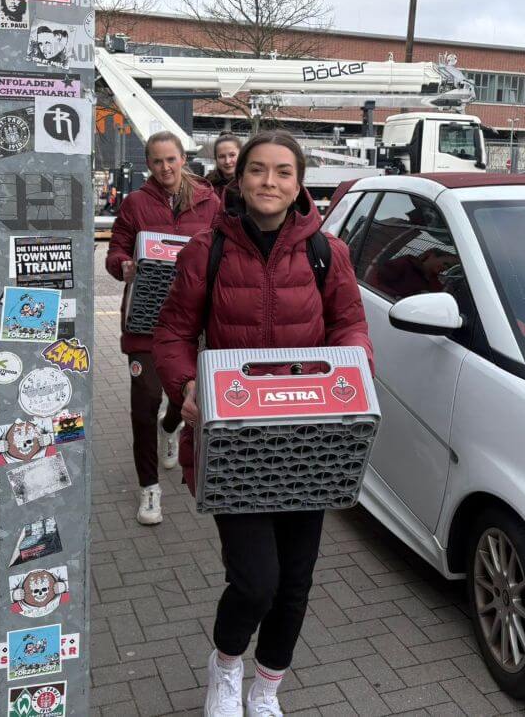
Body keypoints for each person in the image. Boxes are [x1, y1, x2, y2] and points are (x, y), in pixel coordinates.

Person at [153, 131, 373, 716]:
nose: (268, 182)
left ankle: (267, 688)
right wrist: (186, 385)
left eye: (281, 172)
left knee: (295, 582)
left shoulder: (328, 253)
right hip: (236, 441)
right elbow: (172, 333)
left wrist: (354, 373)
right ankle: (225, 668)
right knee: (255, 581)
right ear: (238, 178)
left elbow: (350, 326)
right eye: (257, 171)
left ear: (299, 183)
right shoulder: (208, 251)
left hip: (310, 441)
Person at [105, 131, 220, 525]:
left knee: (182, 395)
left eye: (171, 159)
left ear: (183, 158)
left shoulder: (208, 202)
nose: (165, 168)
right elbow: (116, 249)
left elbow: (223, 249)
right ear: (148, 164)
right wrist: (123, 265)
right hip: (145, 318)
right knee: (144, 401)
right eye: (157, 161)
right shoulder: (136, 203)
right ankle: (149, 489)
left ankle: (171, 428)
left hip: (191, 319)